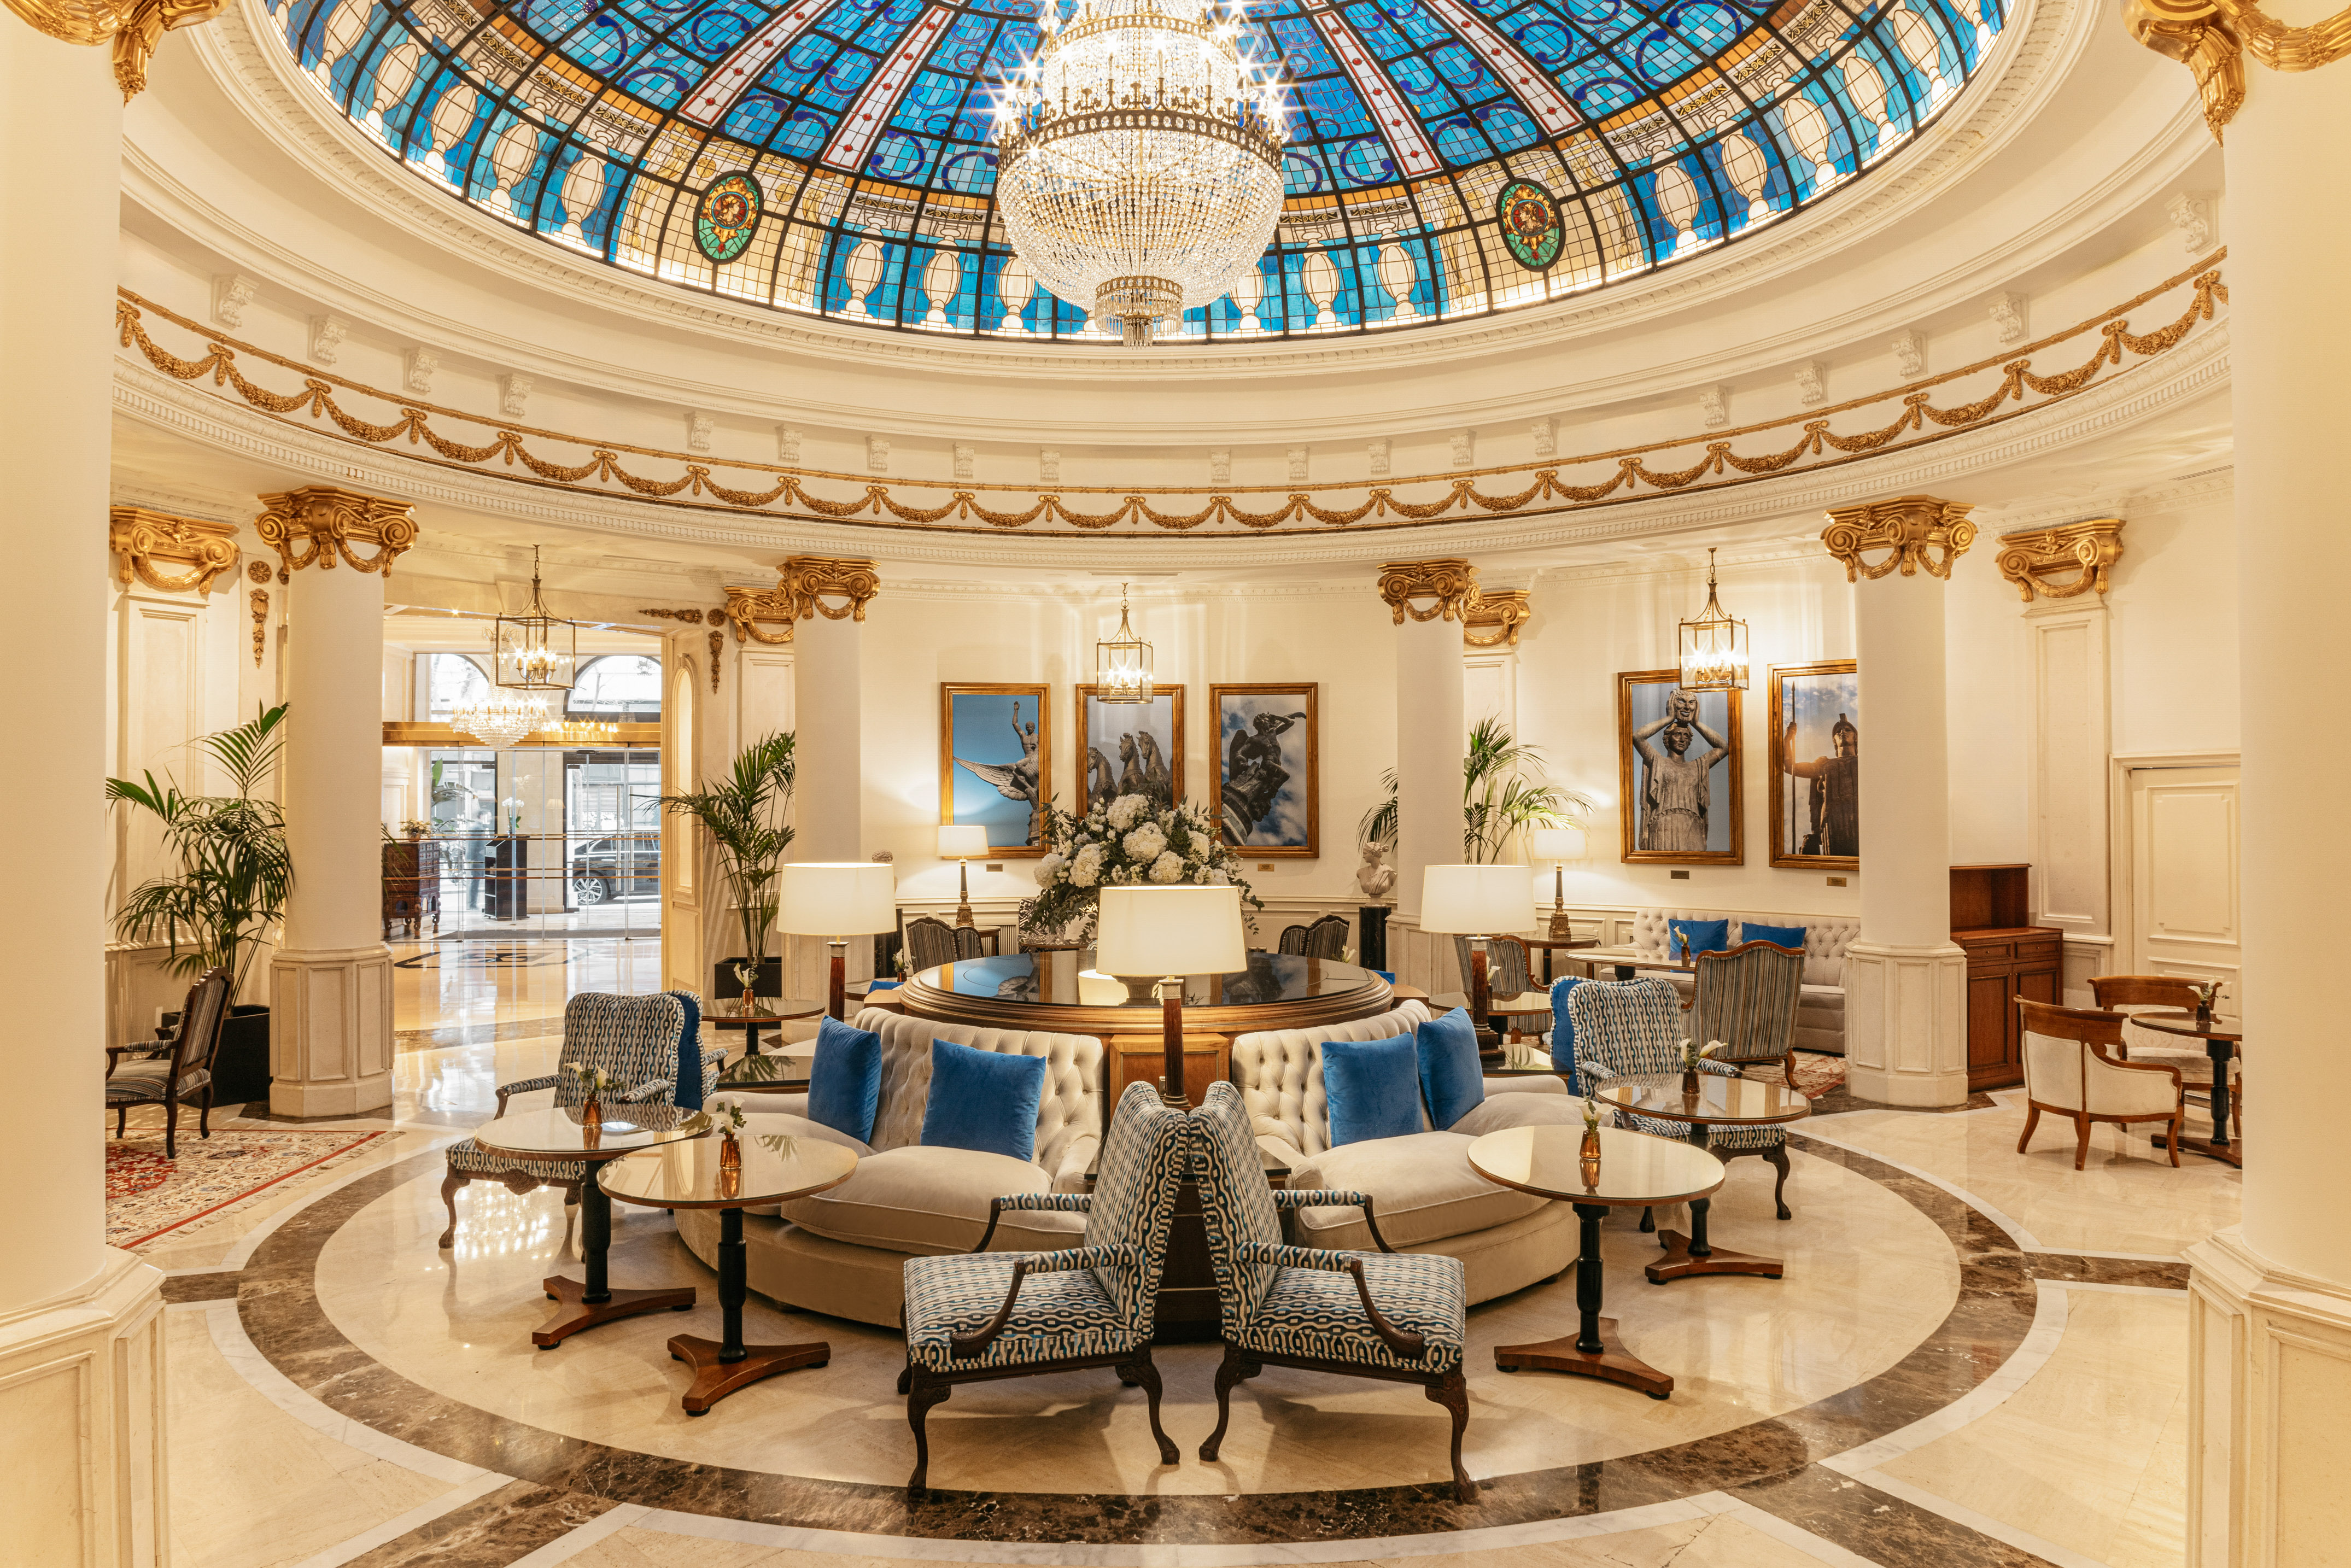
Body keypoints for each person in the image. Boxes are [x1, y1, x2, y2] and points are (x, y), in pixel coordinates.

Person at [1631, 691, 1729, 853]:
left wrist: (1696, 722)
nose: (1683, 739)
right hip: (1663, 825)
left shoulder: (1698, 766)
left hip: (1693, 826)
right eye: (1677, 734)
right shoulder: (1658, 762)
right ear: (1668, 739)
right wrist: (1670, 718)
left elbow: (1723, 747)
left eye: (1686, 736)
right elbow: (1638, 737)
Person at [1785, 711, 1858, 857]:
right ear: (1834, 741)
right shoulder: (1825, 765)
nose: (1842, 732)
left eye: (1847, 730)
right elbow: (1790, 767)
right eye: (1838, 732)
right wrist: (1788, 740)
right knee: (1835, 860)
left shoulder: (1866, 761)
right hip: (1832, 817)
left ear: (1855, 737)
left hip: (1860, 815)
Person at [1224, 710, 1306, 834]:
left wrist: (1276, 716)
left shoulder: (1273, 732)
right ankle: (1267, 798)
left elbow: (1290, 722)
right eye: (1268, 721)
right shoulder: (1254, 739)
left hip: (1276, 765)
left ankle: (1261, 800)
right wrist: (1241, 762)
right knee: (1285, 775)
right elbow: (1239, 752)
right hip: (1268, 764)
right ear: (1262, 723)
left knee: (1265, 785)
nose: (1271, 723)